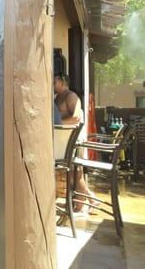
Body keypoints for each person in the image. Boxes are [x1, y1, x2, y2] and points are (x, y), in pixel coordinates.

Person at [53, 75, 95, 212]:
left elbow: (76, 117)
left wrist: (55, 124)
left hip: (74, 139)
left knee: (76, 170)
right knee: (73, 171)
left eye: (55, 80)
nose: (53, 82)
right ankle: (87, 198)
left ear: (63, 82)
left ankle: (82, 200)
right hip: (64, 139)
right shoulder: (57, 97)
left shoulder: (71, 96)